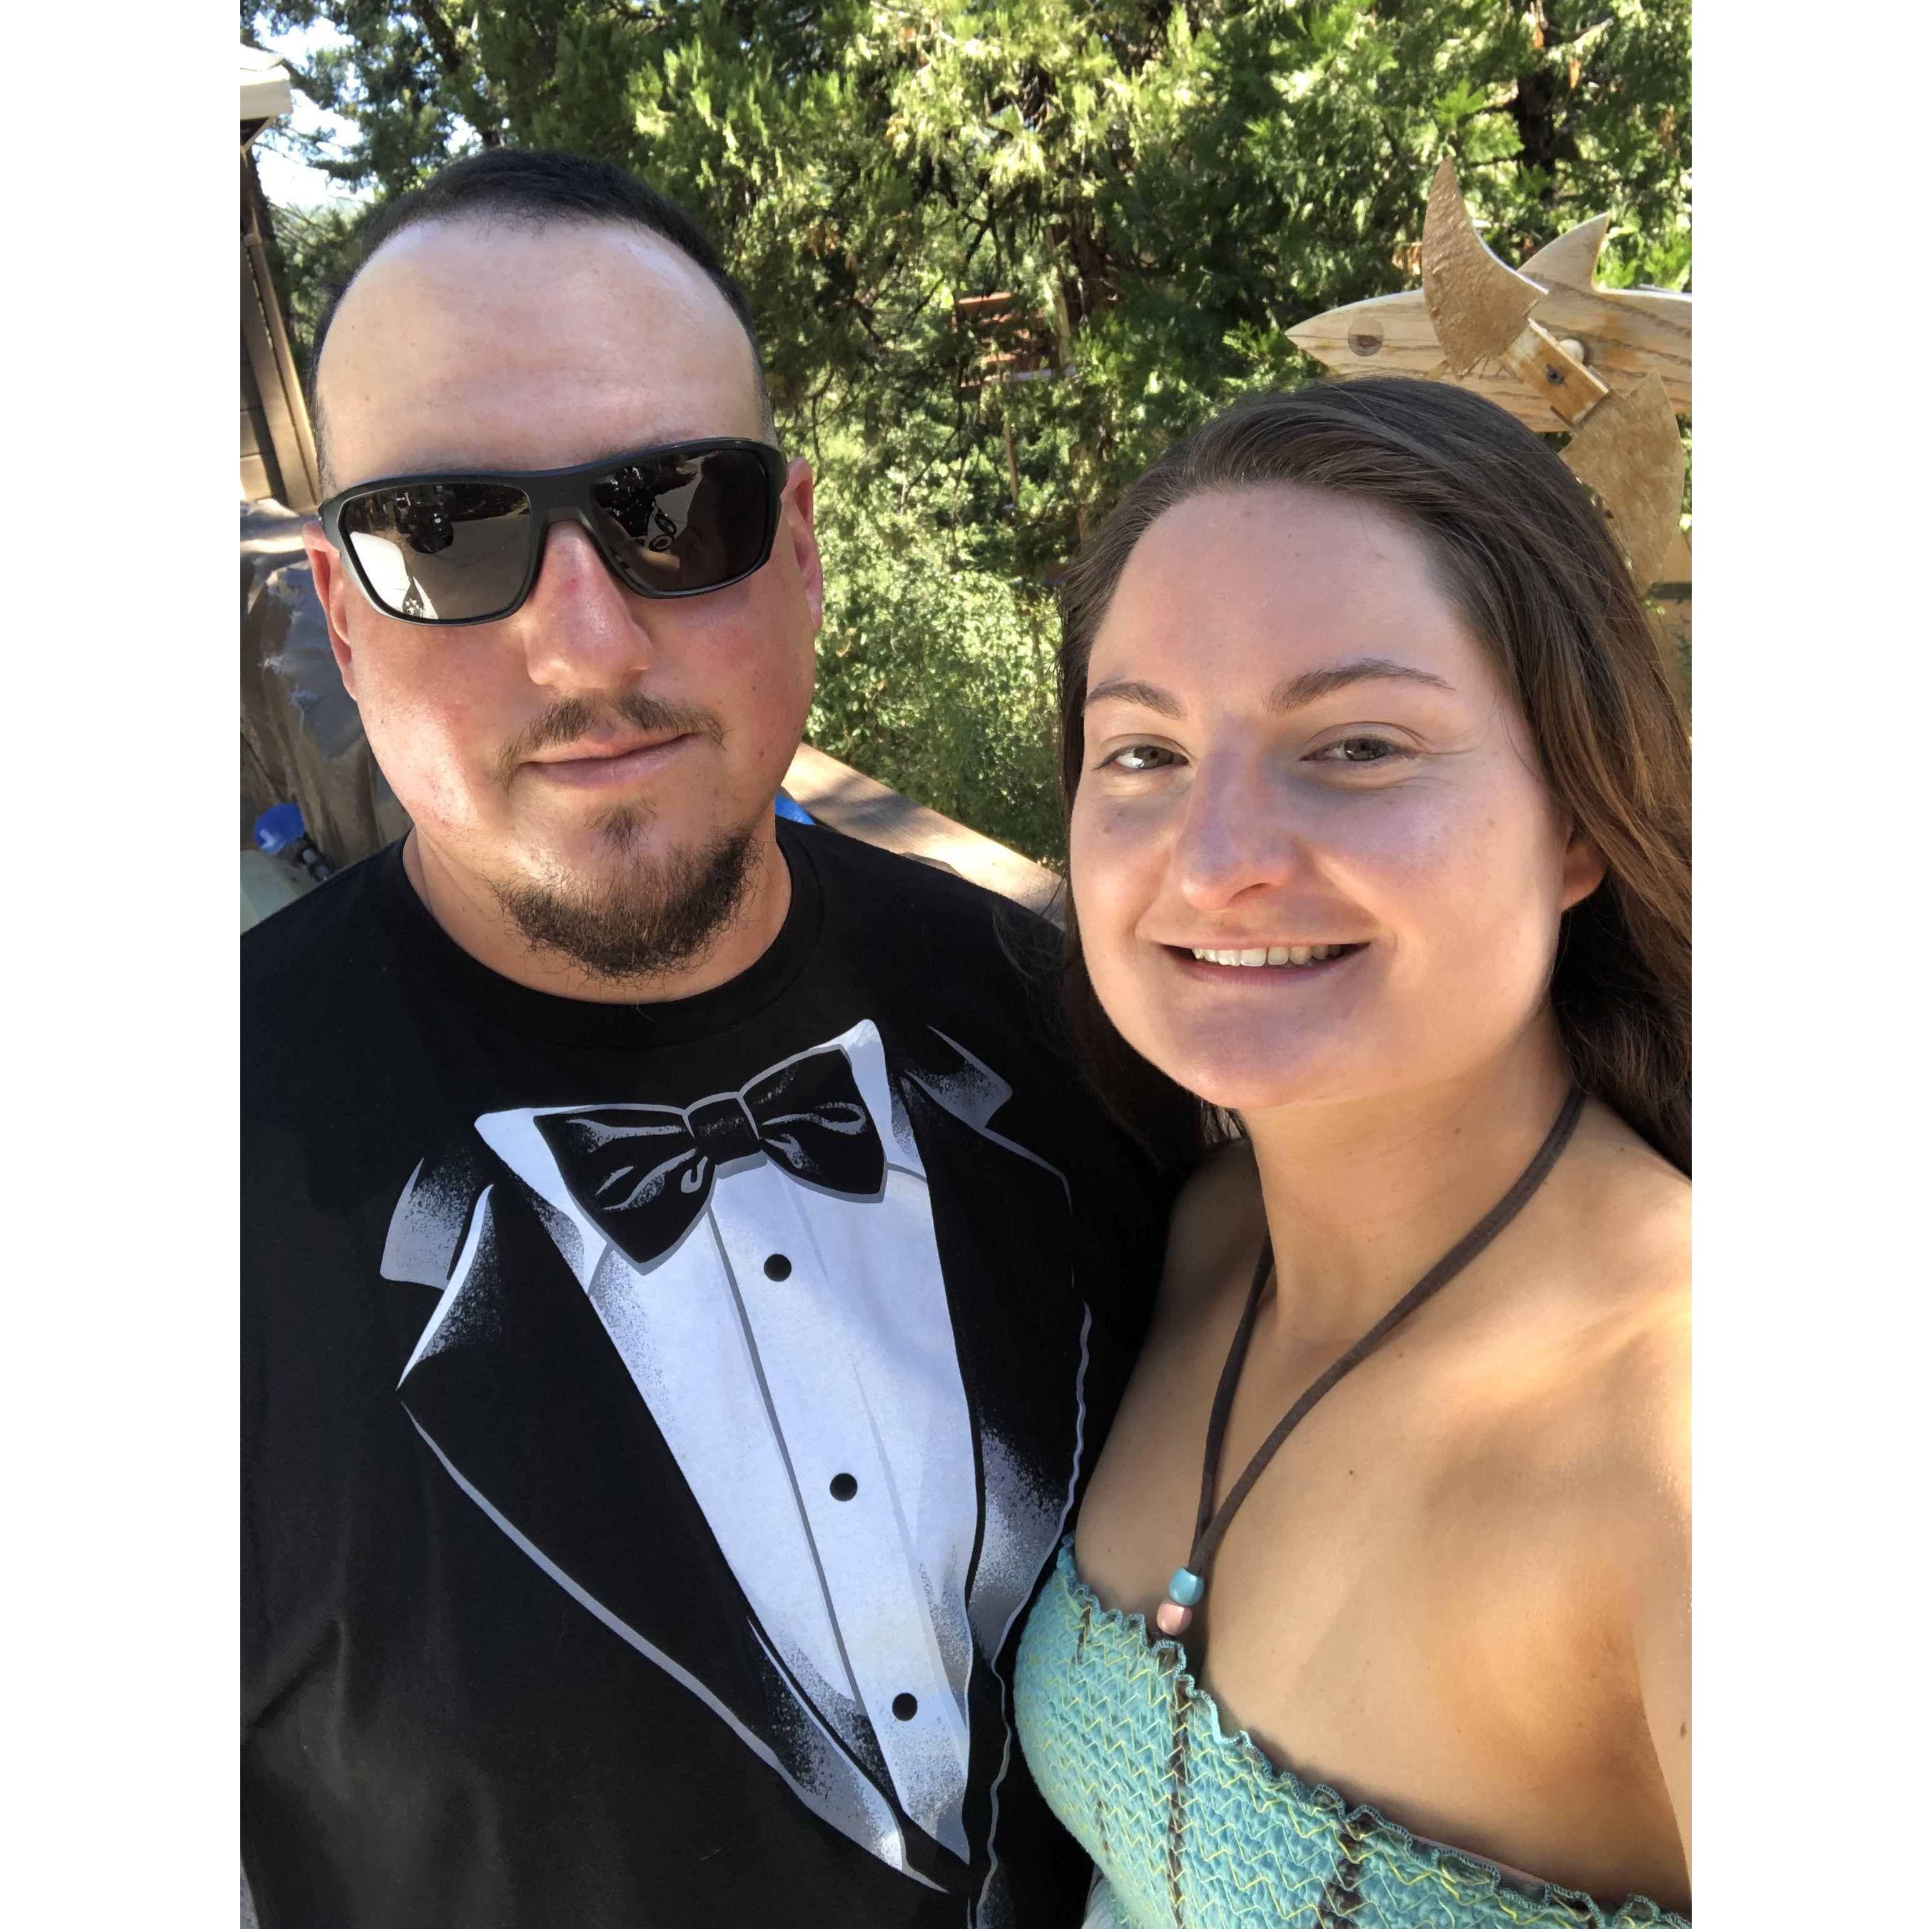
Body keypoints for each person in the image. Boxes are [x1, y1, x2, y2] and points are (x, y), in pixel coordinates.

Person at [241, 148, 1170, 1929]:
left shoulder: (1075, 1028)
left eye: (674, 511)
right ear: (343, 618)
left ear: (799, 550)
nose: (585, 644)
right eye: (447, 534)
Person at [1014, 378, 1691, 1927]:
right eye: (1141, 753)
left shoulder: (1692, 1431)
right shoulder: (1202, 1236)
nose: (1215, 859)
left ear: (1577, 821)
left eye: (1360, 744)